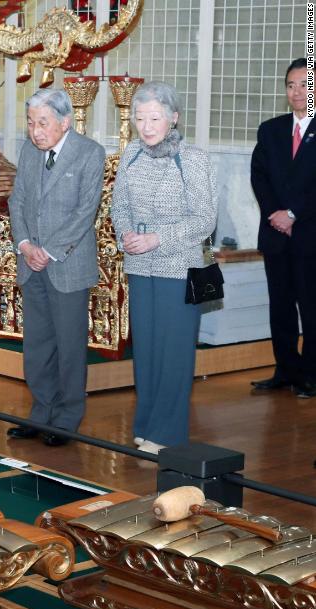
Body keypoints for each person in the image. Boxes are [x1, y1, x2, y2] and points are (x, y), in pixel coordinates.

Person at [111, 81, 218, 454]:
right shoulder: (131, 155)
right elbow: (118, 205)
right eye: (140, 118)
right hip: (139, 264)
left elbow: (205, 220)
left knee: (174, 350)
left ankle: (168, 433)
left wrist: (157, 237)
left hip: (179, 265)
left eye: (155, 117)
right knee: (147, 349)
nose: (147, 125)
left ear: (173, 118)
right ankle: (146, 425)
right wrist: (125, 232)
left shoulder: (193, 158)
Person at [7, 88, 106, 447]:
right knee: (37, 345)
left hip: (66, 264)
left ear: (66, 122)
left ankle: (65, 420)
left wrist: (47, 250)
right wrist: (25, 246)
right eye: (31, 123)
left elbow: (85, 212)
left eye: (43, 123)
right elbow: (16, 200)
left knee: (69, 346)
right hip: (31, 263)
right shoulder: (29, 151)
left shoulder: (89, 153)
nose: (35, 131)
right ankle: (40, 413)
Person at [250, 58, 316, 398]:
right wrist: (276, 213)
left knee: (311, 306)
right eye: (291, 85)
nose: (297, 92)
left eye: (304, 84)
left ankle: (311, 375)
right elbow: (259, 175)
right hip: (276, 234)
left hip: (309, 235)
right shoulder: (271, 129)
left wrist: (293, 213)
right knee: (281, 305)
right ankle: (285, 370)